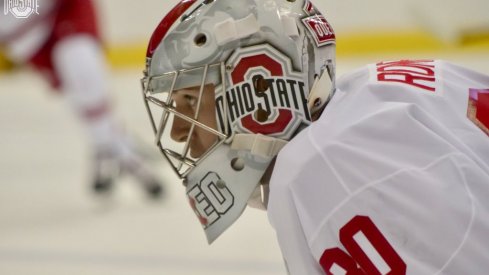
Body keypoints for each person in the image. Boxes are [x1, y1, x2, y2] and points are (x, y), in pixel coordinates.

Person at [141, 0, 489, 273]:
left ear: (255, 85)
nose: (177, 131)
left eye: (189, 100)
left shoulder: (325, 168)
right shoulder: (375, 88)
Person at [1, 0, 164, 198]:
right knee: (78, 93)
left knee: (79, 63)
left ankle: (114, 153)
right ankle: (121, 148)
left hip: (62, 8)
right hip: (23, 33)